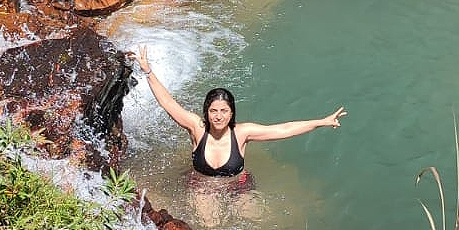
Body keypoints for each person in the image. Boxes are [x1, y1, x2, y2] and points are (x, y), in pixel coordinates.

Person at [135, 46, 346, 179]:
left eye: (224, 111)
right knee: (208, 225)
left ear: (232, 113)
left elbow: (284, 129)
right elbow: (168, 103)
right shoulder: (196, 128)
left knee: (254, 217)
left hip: (238, 184)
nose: (218, 116)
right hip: (203, 187)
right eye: (213, 111)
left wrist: (321, 122)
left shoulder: (243, 133)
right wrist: (148, 71)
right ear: (206, 112)